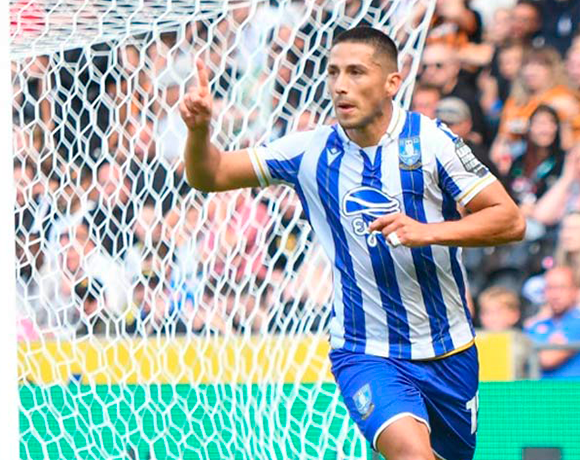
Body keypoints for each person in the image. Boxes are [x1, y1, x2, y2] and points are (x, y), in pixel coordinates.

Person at [182, 26, 525, 460]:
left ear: (391, 83)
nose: (341, 85)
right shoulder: (309, 150)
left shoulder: (432, 141)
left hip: (448, 348)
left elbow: (509, 220)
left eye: (357, 72)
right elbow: (209, 176)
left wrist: (427, 231)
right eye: (333, 72)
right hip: (365, 350)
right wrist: (198, 132)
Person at [524, 266, 580, 379]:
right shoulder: (538, 325)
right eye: (550, 288)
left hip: (574, 394)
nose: (555, 295)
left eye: (561, 288)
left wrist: (529, 351)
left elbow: (548, 359)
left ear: (575, 291)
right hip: (541, 394)